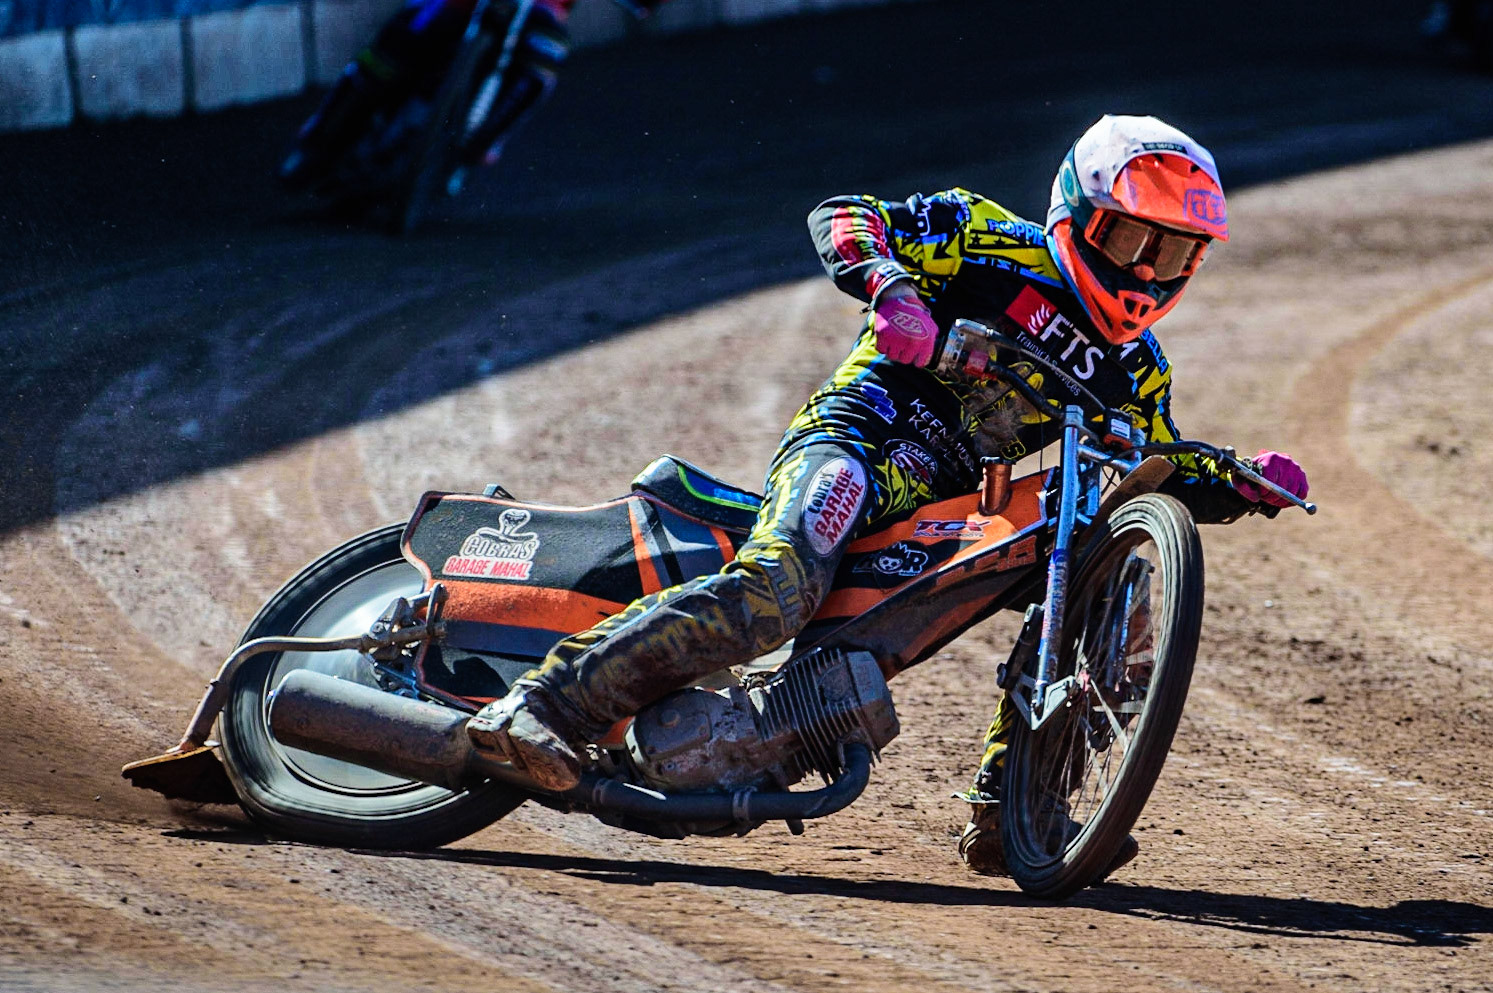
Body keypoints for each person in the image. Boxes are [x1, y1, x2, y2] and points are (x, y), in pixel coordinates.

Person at [466, 114, 1310, 879]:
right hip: (853, 443)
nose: (1147, 270)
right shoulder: (983, 237)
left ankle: (1013, 804)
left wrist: (1235, 477)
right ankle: (545, 703)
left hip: (940, 513)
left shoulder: (1138, 369)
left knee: (1096, 562)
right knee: (777, 591)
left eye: (1174, 254)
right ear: (1076, 214)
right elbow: (845, 214)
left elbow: (1151, 455)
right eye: (1131, 241)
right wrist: (892, 290)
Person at [278, 0, 667, 194]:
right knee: (403, 38)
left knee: (543, 64)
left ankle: (481, 142)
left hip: (538, 12)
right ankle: (319, 135)